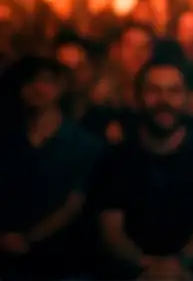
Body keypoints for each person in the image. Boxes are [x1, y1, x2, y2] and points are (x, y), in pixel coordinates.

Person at [92, 56, 193, 280]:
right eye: (154, 91)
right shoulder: (115, 159)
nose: (164, 100)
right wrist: (146, 266)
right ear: (138, 98)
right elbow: (111, 230)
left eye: (174, 91)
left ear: (186, 98)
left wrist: (180, 263)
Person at [0, 56, 104, 280]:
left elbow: (76, 202)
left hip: (65, 260)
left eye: (46, 81)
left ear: (60, 87)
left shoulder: (83, 144)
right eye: (30, 82)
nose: (38, 88)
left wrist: (28, 238)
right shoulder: (7, 139)